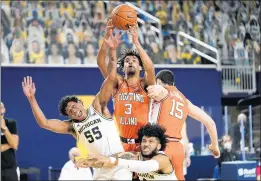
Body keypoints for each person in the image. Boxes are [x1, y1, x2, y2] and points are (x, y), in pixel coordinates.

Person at [21, 33, 132, 180]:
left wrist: (112, 50)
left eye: (73, 106)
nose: (73, 110)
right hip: (99, 168)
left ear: (80, 103)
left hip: (118, 162)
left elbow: (111, 78)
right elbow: (44, 123)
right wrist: (31, 98)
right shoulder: (73, 126)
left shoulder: (97, 106)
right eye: (69, 111)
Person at [147, 69, 220, 180]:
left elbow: (157, 89)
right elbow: (210, 123)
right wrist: (214, 145)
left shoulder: (162, 91)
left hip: (161, 146)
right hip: (177, 148)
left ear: (159, 82)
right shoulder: (185, 101)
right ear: (173, 84)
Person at [97, 20, 155, 152]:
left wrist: (137, 43)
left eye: (134, 61)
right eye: (127, 61)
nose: (130, 62)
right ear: (123, 68)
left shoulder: (145, 84)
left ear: (140, 67)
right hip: (120, 143)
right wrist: (107, 39)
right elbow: (101, 62)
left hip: (142, 144)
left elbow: (151, 68)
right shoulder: (117, 83)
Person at [71, 124, 178, 180]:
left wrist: (114, 161)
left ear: (159, 146)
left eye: (151, 141)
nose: (146, 144)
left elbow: (146, 167)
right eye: (144, 140)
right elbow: (106, 160)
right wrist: (88, 162)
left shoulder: (162, 159)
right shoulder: (134, 156)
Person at [1, 102, 19, 181]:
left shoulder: (11, 123)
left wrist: (4, 128)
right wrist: (9, 144)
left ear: (4, 110)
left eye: (1, 108)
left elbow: (15, 145)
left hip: (10, 169)